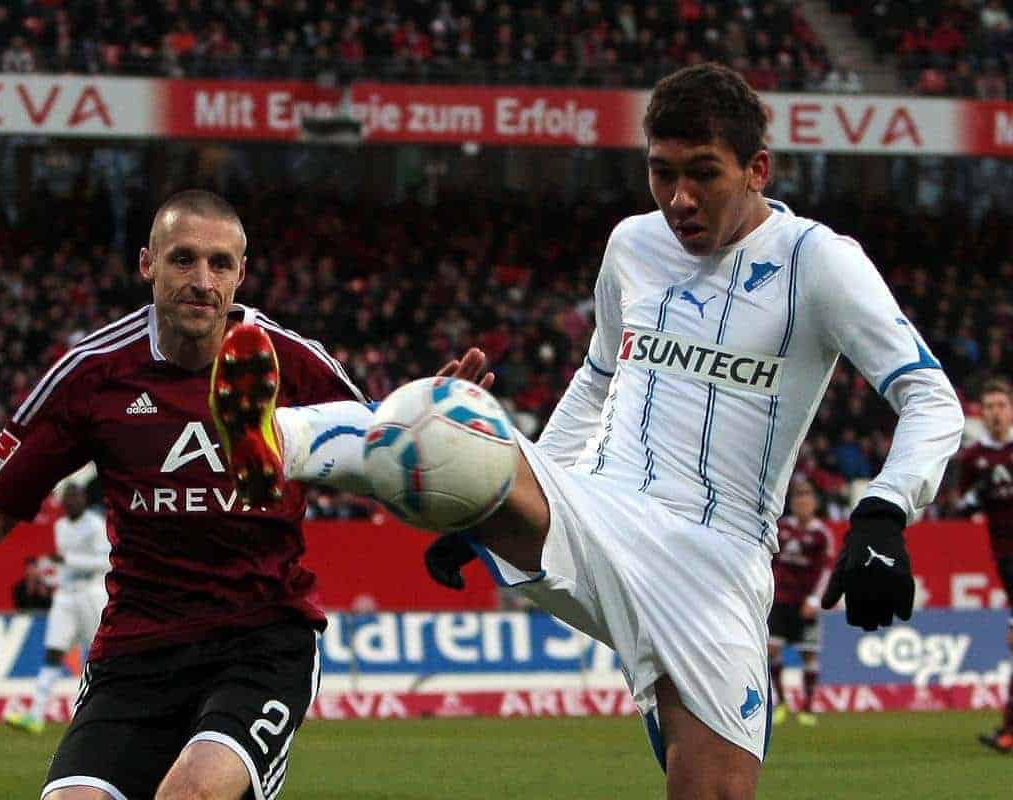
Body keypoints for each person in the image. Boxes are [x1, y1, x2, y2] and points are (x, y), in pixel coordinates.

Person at [211, 64, 964, 799]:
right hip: (600, 507)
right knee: (439, 421)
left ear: (758, 168)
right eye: (661, 172)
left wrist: (883, 512)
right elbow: (599, 380)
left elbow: (931, 398)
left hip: (714, 563)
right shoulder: (632, 246)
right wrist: (489, 497)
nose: (679, 199)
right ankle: (273, 439)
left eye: (703, 173)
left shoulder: (819, 263)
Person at [0, 190, 366, 800]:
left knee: (194, 794)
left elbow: (388, 453)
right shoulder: (93, 374)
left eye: (219, 264)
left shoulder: (290, 362)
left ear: (241, 274)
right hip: (138, 651)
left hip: (260, 640)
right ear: (147, 264)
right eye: (183, 260)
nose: (201, 281)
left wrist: (435, 429)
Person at [5, 482, 110, 735]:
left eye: (76, 496)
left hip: (90, 593)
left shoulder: (96, 525)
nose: (71, 501)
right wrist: (52, 578)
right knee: (53, 651)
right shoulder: (60, 526)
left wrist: (68, 561)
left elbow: (106, 560)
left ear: (84, 499)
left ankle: (96, 713)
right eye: (68, 497)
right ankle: (36, 715)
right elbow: (64, 567)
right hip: (65, 597)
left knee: (97, 655)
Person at [955, 377, 1013, 754]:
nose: (995, 412)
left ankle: (1008, 731)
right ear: (980, 413)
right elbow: (962, 508)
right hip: (1006, 558)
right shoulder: (973, 458)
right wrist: (975, 496)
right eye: (988, 406)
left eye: (1001, 405)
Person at [768, 479, 834, 726]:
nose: (802, 502)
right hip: (781, 600)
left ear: (814, 503)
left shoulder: (820, 534)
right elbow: (769, 562)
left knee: (808, 653)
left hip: (805, 602)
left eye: (806, 497)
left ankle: (807, 706)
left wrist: (815, 599)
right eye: (797, 498)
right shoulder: (782, 529)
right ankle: (782, 703)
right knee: (771, 650)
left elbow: (826, 570)